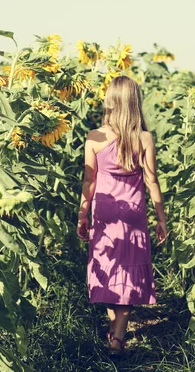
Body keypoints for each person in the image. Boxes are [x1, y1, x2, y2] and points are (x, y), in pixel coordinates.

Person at [77, 75, 168, 356]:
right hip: (133, 215)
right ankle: (118, 335)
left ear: (110, 102)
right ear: (135, 102)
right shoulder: (143, 138)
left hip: (104, 213)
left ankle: (114, 329)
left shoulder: (95, 138)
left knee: (108, 268)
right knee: (127, 272)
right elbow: (152, 181)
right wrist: (161, 217)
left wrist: (82, 214)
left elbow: (88, 182)